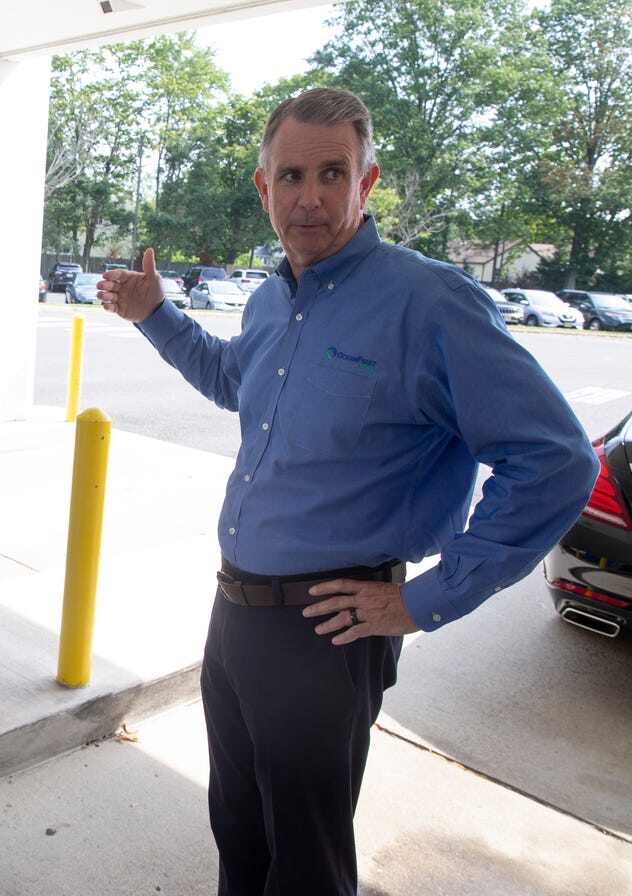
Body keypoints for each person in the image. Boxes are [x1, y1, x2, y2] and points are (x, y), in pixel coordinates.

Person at [97, 88, 598, 895]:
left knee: (306, 861)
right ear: (264, 188)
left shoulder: (430, 301)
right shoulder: (271, 299)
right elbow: (234, 381)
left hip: (328, 631)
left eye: (334, 172)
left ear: (368, 183)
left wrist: (426, 599)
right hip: (235, 618)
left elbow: (557, 460)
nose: (311, 196)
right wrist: (158, 315)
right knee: (240, 831)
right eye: (291, 175)